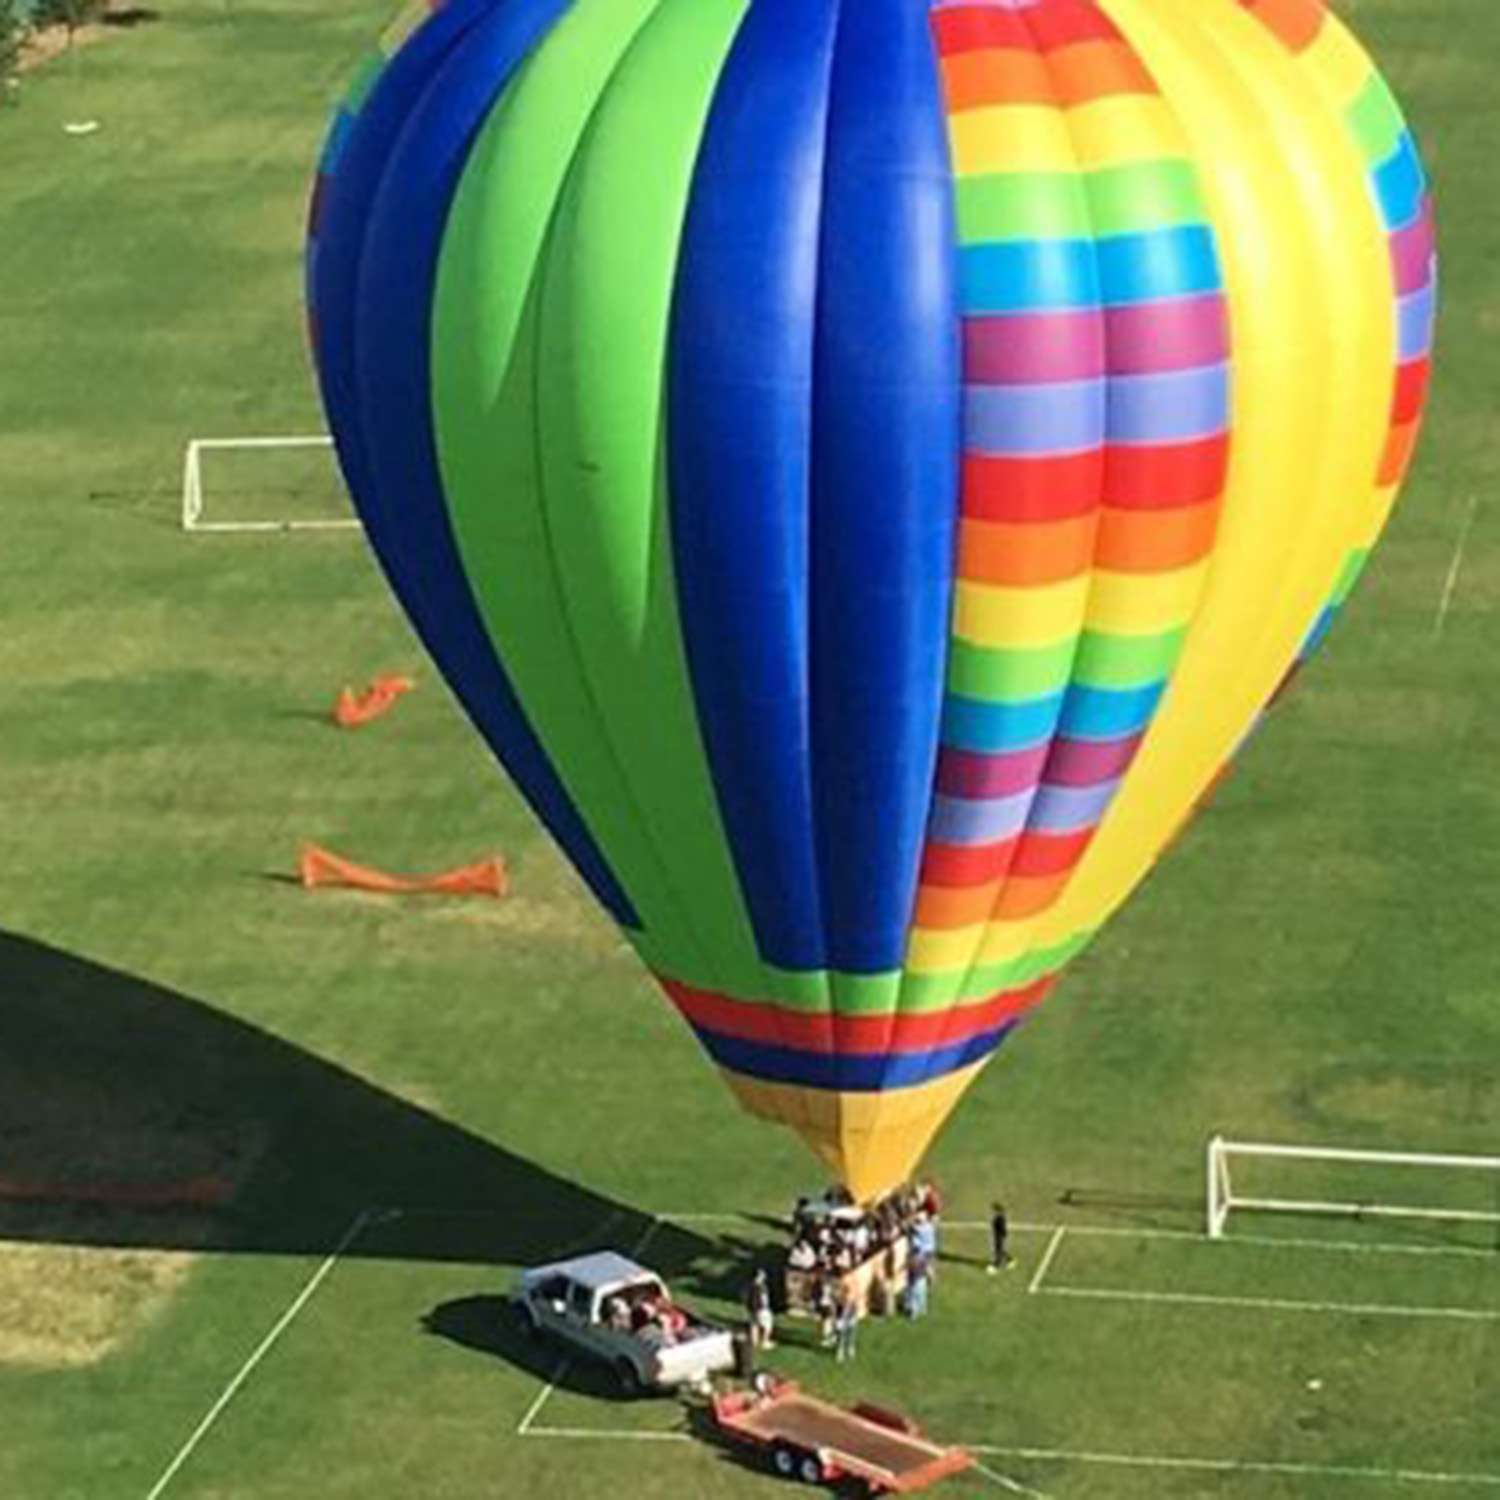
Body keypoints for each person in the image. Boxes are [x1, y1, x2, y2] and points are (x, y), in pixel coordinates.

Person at [746, 1268, 775, 1350]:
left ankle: (754, 1342)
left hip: (752, 1309)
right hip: (761, 1309)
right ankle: (764, 1342)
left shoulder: (750, 1286)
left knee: (754, 1325)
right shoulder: (761, 1287)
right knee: (768, 1326)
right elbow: (764, 1299)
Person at [988, 1201, 1014, 1274]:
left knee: (998, 1251)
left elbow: (1002, 1229)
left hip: (999, 1237)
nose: (992, 1211)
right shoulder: (999, 1217)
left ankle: (996, 1266)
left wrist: (1002, 1237)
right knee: (1000, 1251)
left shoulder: (999, 1218)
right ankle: (1009, 1260)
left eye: (993, 1210)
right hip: (998, 1236)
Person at [834, 1286, 859, 1363]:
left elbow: (854, 1312)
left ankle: (850, 1349)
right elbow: (837, 1313)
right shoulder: (839, 1303)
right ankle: (840, 1351)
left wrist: (853, 1319)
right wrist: (838, 1321)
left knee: (851, 1334)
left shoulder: (852, 1302)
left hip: (850, 1319)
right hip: (842, 1319)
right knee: (841, 1335)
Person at [905, 1253, 930, 1319]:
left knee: (913, 1298)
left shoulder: (911, 1261)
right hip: (921, 1280)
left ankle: (913, 1314)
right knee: (921, 1296)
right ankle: (922, 1311)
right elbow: (928, 1270)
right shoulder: (922, 1260)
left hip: (914, 1281)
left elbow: (908, 1270)